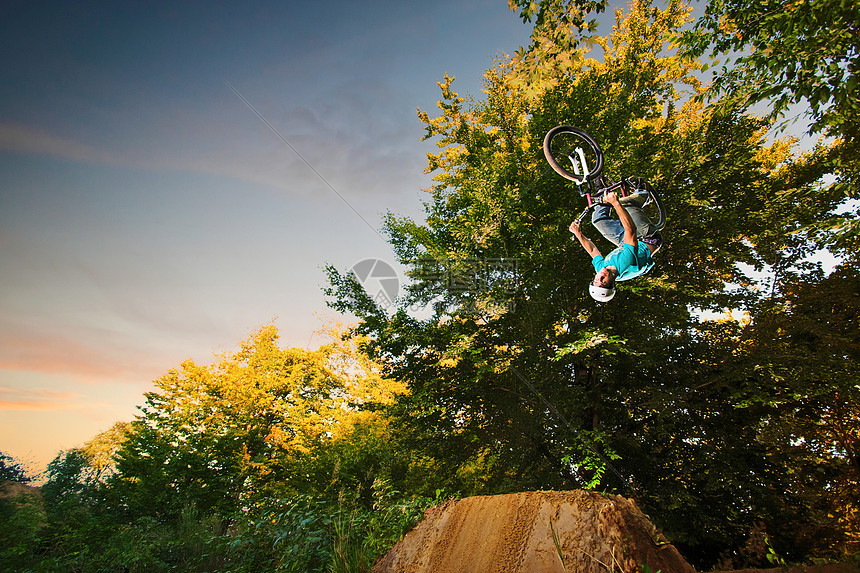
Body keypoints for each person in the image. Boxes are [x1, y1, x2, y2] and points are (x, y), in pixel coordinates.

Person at [569, 185, 663, 302]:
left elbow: (593, 251)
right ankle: (643, 194)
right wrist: (615, 203)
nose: (600, 277)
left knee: (598, 220)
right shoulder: (627, 263)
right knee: (625, 204)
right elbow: (631, 230)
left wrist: (578, 234)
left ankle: (602, 190)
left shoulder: (601, 270)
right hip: (648, 238)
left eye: (596, 280)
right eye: (603, 282)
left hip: (625, 244)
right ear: (612, 283)